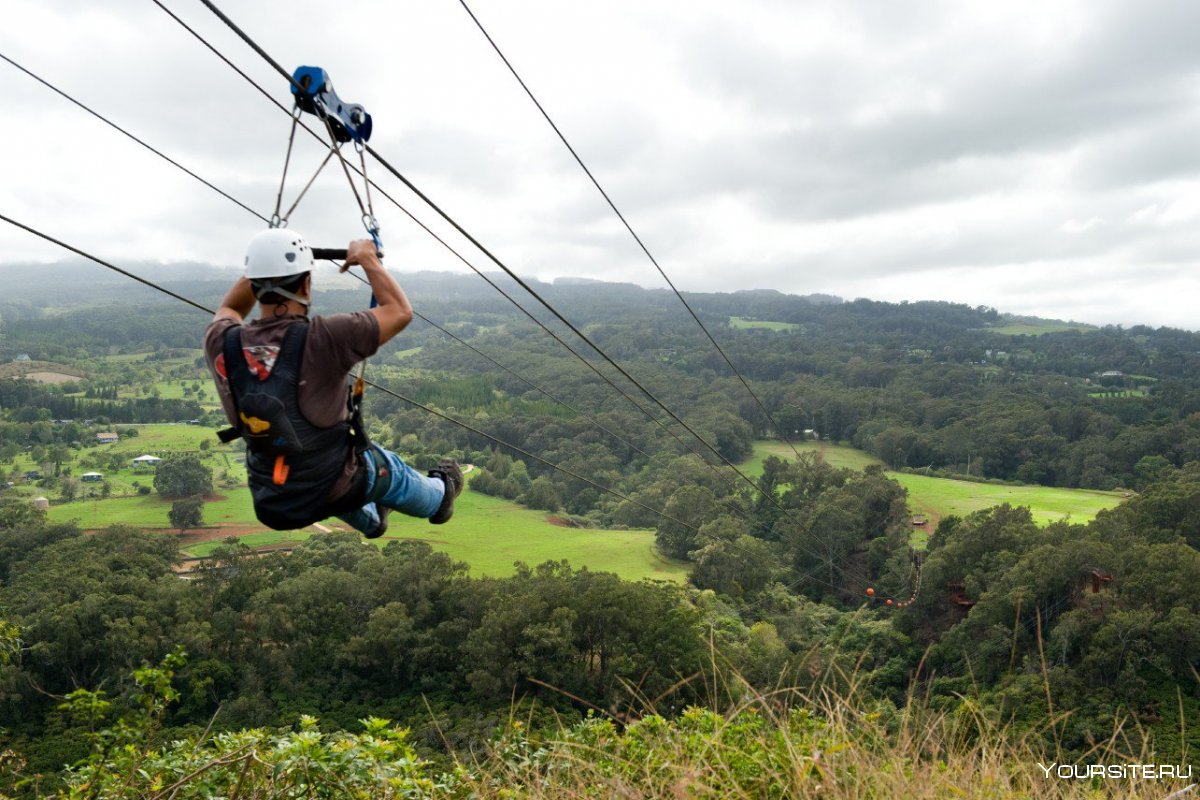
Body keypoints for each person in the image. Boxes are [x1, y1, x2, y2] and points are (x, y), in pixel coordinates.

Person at [203, 228, 462, 537]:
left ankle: (373, 520)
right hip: (335, 482)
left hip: (273, 497)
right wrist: (368, 258)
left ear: (254, 282)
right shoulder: (324, 337)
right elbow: (400, 311)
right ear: (307, 283)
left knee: (323, 471)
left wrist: (262, 264)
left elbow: (231, 308)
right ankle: (440, 497)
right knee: (385, 468)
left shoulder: (221, 341)